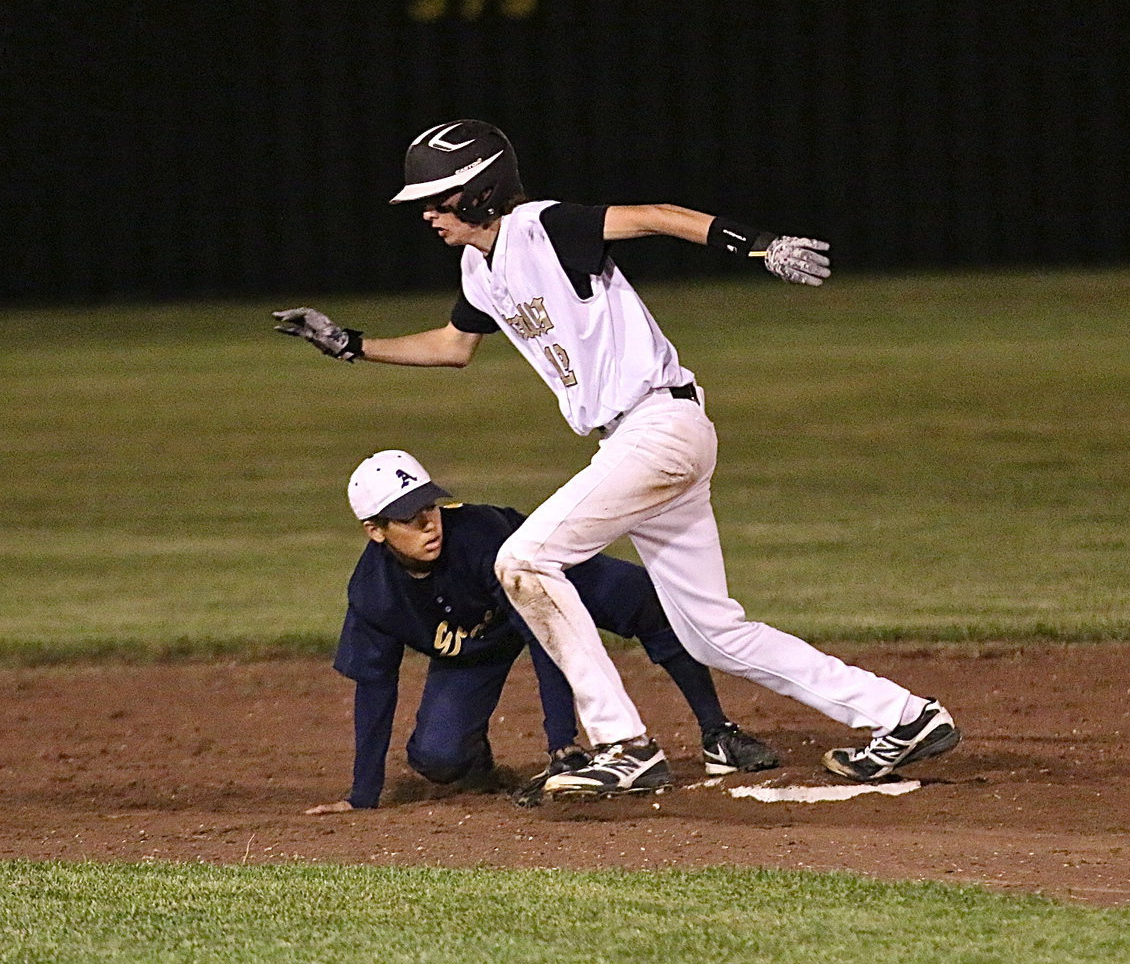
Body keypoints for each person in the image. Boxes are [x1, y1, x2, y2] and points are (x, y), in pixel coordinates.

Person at [276, 119, 961, 800]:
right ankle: (903, 716)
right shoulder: (477, 267)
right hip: (643, 440)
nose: (427, 212)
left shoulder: (543, 228)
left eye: (439, 197)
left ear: (482, 194)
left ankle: (622, 744)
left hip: (657, 426)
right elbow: (454, 346)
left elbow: (657, 217)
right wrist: (350, 345)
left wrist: (759, 246)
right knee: (713, 634)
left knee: (521, 559)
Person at [304, 448, 779, 814]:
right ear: (376, 530)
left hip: (555, 579)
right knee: (438, 759)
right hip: (479, 645)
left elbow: (545, 634)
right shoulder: (373, 595)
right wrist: (362, 795)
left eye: (430, 505)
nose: (430, 523)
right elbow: (374, 688)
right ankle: (480, 767)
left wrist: (562, 745)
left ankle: (718, 731)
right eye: (410, 517)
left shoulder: (481, 534)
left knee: (646, 601)